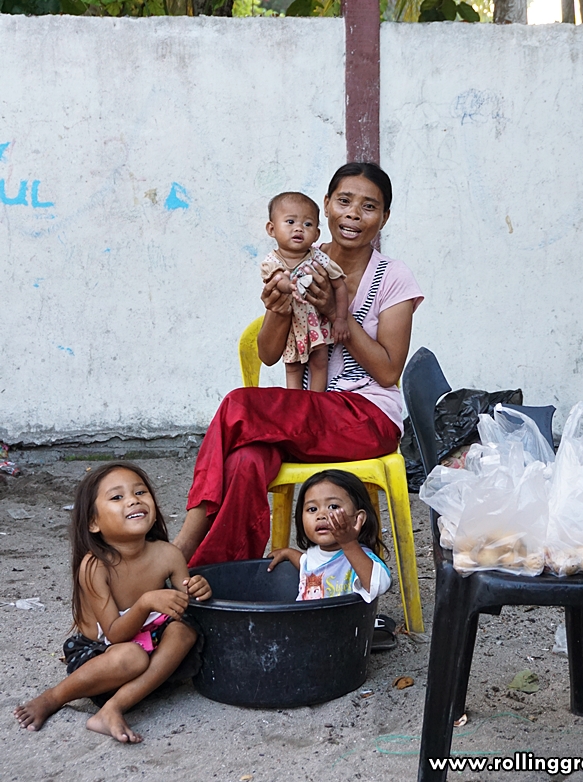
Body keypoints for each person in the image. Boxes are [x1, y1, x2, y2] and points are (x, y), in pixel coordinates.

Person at [174, 161, 423, 570]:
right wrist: (278, 309)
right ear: (325, 206)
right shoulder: (298, 259)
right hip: (306, 416)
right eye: (344, 201)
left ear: (384, 218)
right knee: (245, 461)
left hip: (366, 417)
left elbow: (388, 371)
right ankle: (217, 576)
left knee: (239, 405)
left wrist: (336, 312)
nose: (354, 215)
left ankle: (181, 545)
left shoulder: (394, 278)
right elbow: (270, 353)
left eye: (369, 207)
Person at [14, 463, 211, 744]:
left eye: (140, 492)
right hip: (104, 656)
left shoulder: (168, 554)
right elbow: (116, 634)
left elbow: (185, 607)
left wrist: (198, 590)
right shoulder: (95, 566)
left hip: (153, 649)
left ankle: (113, 708)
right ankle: (54, 697)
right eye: (117, 497)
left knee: (185, 632)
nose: (133, 500)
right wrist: (145, 603)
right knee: (131, 656)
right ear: (94, 523)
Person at [261, 191, 349, 391]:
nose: (299, 228)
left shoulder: (318, 257)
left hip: (315, 322)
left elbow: (339, 284)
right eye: (290, 222)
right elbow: (278, 279)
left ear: (316, 234)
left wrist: (341, 319)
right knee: (293, 367)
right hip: (291, 327)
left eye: (307, 224)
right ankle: (296, 410)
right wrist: (289, 285)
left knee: (320, 362)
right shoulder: (272, 261)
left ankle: (316, 404)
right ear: (272, 229)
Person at [267, 469, 391, 603]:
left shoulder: (359, 557)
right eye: (312, 509)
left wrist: (349, 544)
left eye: (333, 506)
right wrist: (288, 553)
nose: (321, 515)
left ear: (357, 519)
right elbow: (311, 565)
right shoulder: (312, 556)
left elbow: (379, 585)